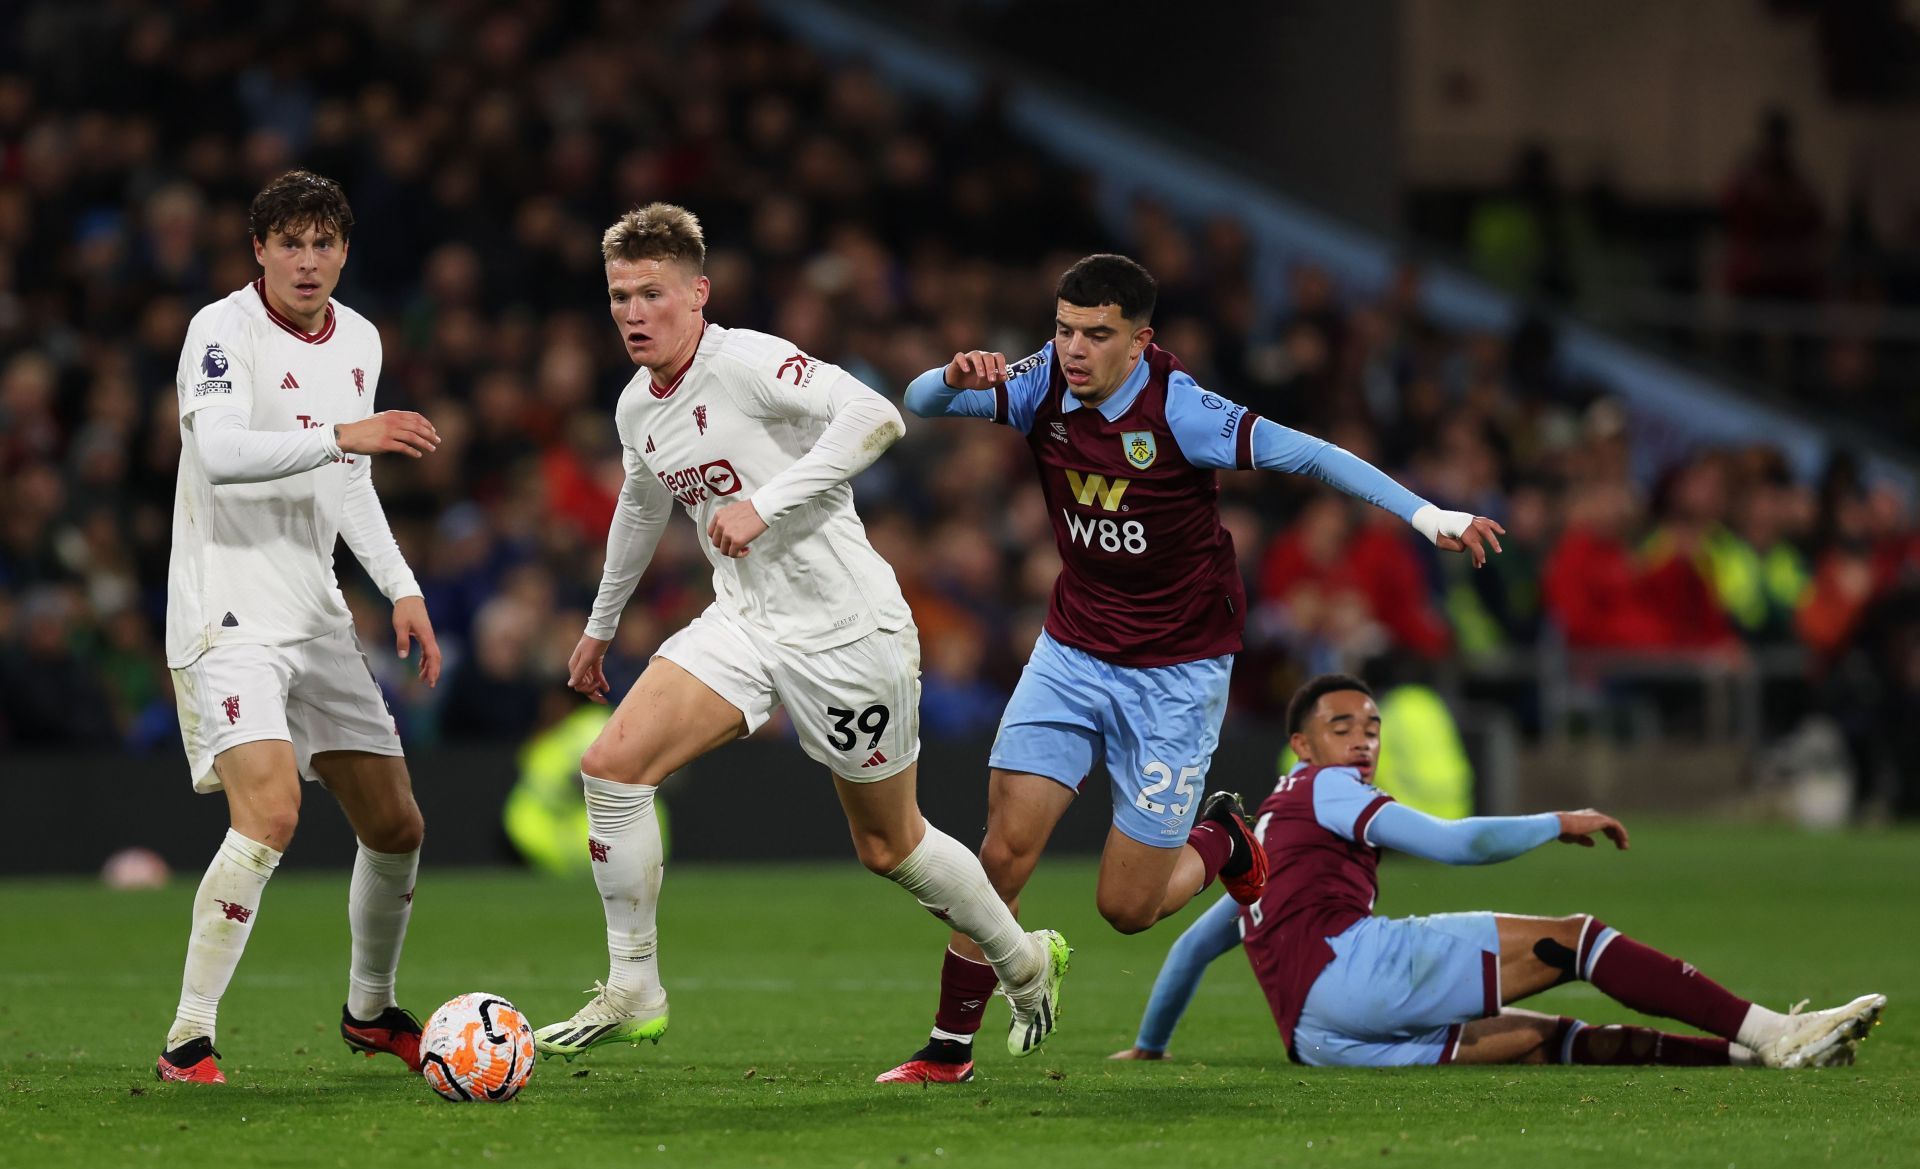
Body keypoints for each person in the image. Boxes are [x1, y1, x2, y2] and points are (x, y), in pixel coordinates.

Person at [878, 254, 1504, 1083]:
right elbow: (919, 403)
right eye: (1064, 329)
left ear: (1140, 343)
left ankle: (1226, 839)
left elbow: (1312, 455)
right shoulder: (1038, 383)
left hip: (1177, 674)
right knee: (1003, 850)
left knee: (1127, 908)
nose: (1073, 350)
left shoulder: (1182, 409)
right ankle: (949, 1048)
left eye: (1096, 335)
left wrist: (1427, 516)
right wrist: (950, 374)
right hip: (1071, 651)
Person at [531, 204, 1066, 1064]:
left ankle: (1025, 959)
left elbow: (876, 416)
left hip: (848, 630)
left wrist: (765, 503)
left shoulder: (745, 361)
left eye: (653, 294)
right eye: (620, 296)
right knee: (612, 767)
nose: (634, 313)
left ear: (698, 293)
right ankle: (634, 988)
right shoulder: (638, 406)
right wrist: (600, 627)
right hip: (745, 620)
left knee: (889, 845)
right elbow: (640, 503)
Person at [1111, 674, 1885, 1069]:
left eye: (1372, 727)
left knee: (1545, 1041)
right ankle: (1775, 1030)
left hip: (1317, 1037)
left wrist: (1150, 1045)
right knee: (1576, 941)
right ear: (1302, 745)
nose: (1364, 740)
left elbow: (1194, 944)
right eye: (1340, 727)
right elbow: (1452, 844)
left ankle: (1747, 1056)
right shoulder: (1329, 789)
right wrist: (1555, 820)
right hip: (1357, 976)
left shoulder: (1268, 830)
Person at [156, 170, 446, 1085]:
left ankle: (370, 1010)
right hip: (228, 606)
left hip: (314, 610)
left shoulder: (357, 337)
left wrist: (401, 586)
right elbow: (219, 451)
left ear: (345, 250)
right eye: (291, 243)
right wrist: (341, 435)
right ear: (259, 250)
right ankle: (188, 1035)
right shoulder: (220, 330)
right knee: (272, 812)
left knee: (397, 824)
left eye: (324, 243)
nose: (308, 261)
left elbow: (344, 479)